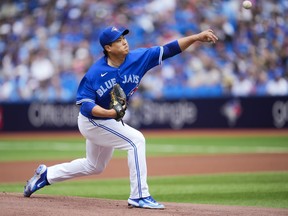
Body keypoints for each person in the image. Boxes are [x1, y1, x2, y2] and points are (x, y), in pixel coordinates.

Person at [23, 26, 218, 209]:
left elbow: (169, 49)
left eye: (124, 38)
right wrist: (110, 113)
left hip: (108, 119)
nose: (124, 42)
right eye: (118, 40)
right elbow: (86, 105)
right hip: (91, 121)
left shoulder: (139, 58)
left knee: (94, 166)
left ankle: (46, 175)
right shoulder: (95, 73)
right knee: (136, 140)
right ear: (108, 48)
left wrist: (196, 37)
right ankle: (139, 196)